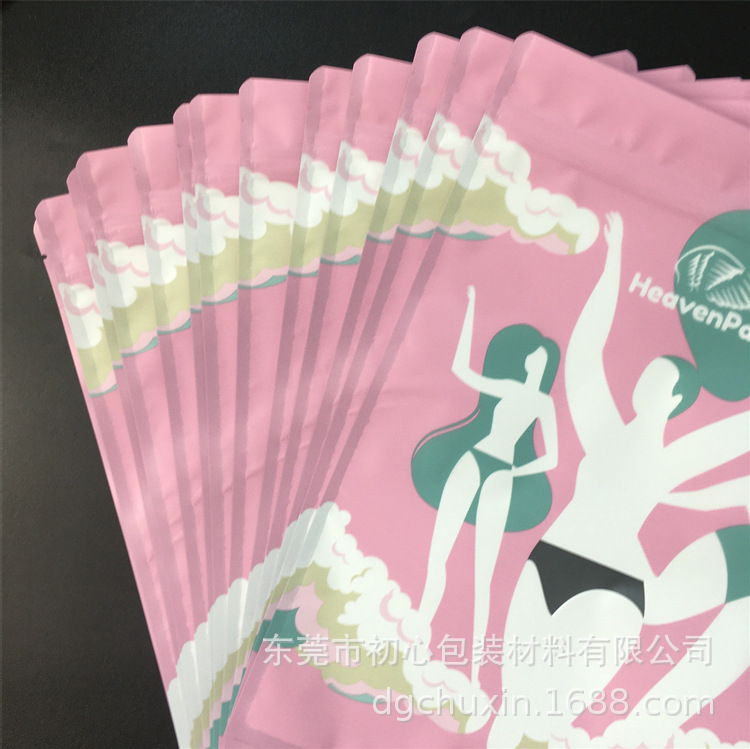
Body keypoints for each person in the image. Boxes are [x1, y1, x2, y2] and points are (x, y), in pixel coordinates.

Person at [489, 212, 749, 747]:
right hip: (554, 559)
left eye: (661, 378)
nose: (646, 377)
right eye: (650, 371)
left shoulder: (675, 458)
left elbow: (739, 433)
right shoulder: (606, 427)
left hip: (616, 588)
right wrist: (614, 259)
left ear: (677, 399)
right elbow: (587, 350)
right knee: (514, 707)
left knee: (549, 720)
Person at [412, 285, 559, 686]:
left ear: (545, 366)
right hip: (474, 460)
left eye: (541, 358)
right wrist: (472, 309)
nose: (535, 359)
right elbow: (462, 370)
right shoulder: (510, 388)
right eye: (533, 355)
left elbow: (553, 458)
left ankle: (476, 673)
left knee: (483, 579)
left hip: (501, 474)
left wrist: (516, 474)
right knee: (438, 555)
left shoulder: (543, 404)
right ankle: (415, 641)